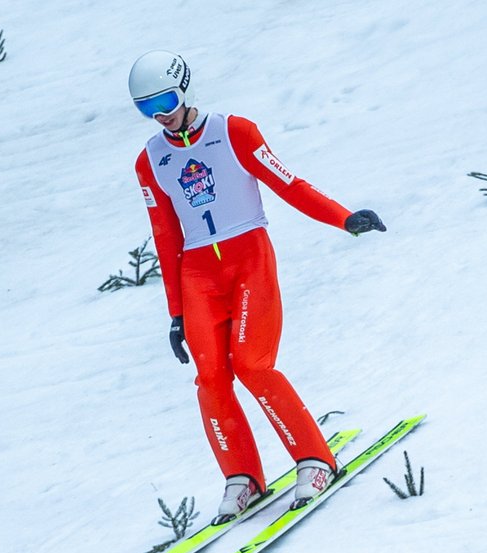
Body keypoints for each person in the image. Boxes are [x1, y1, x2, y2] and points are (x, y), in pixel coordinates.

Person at [129, 50, 386, 525]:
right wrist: (176, 313)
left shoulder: (235, 132)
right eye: (147, 108)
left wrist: (344, 218)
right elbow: (165, 236)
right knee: (210, 377)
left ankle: (315, 460)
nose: (160, 115)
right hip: (197, 273)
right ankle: (242, 475)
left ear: (184, 89)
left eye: (164, 101)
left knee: (252, 363)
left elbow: (289, 184)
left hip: (249, 259)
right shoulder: (151, 160)